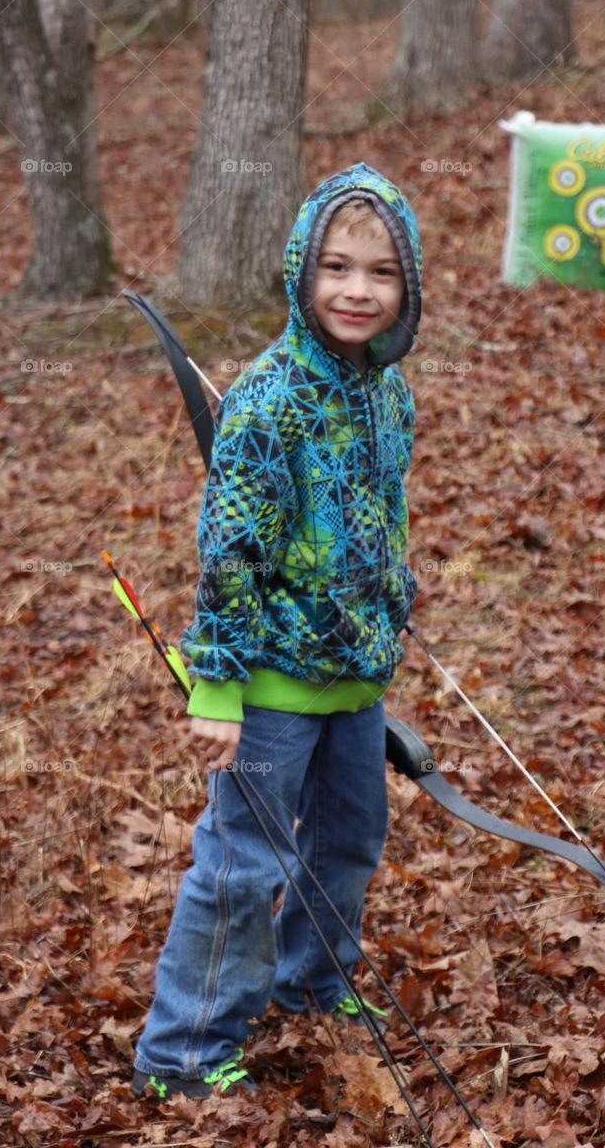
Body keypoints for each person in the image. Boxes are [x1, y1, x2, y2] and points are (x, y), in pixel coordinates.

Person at [132, 163, 423, 1099]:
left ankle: (312, 979)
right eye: (336, 267)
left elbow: (384, 521)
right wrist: (215, 687)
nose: (356, 290)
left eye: (380, 273)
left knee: (347, 842)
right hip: (266, 685)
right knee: (241, 866)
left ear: (405, 286)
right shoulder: (268, 397)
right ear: (302, 273)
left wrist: (389, 614)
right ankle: (181, 1055)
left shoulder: (386, 392)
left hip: (352, 677)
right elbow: (231, 553)